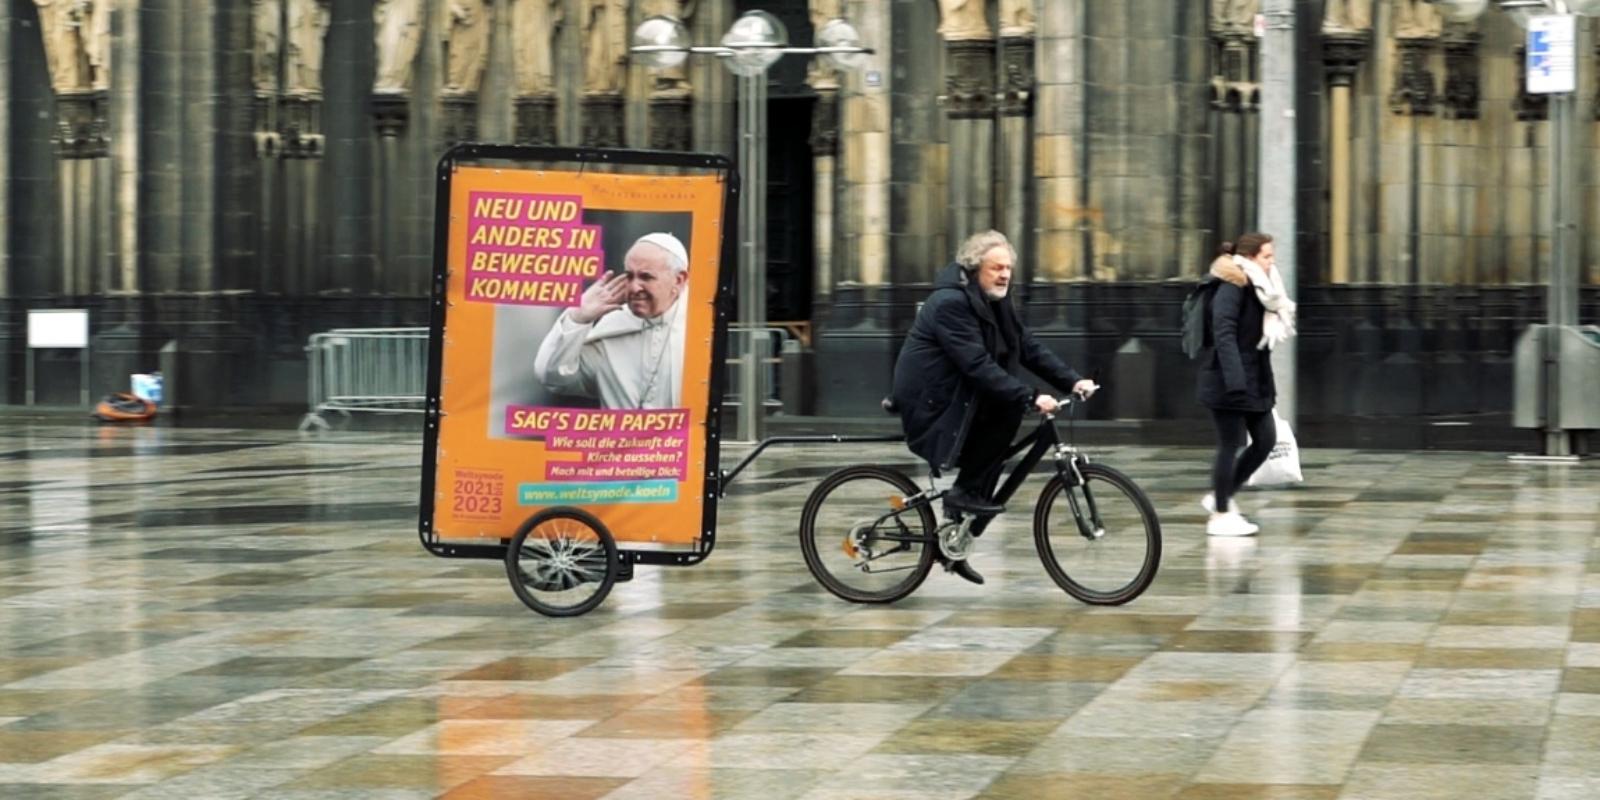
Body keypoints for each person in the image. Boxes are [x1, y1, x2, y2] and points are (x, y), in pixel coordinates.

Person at [890, 230, 1098, 585]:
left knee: (1006, 417)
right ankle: (962, 496)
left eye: (1008, 268)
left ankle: (955, 541)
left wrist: (1072, 381)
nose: (1004, 275)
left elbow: (1026, 347)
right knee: (1008, 411)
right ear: (975, 270)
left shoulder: (995, 299)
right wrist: (1030, 395)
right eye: (995, 268)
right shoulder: (950, 303)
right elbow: (976, 364)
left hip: (960, 394)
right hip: (934, 402)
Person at [1197, 233, 1296, 537]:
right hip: (1228, 379)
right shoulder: (1233, 285)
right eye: (1267, 256)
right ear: (1251, 257)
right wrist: (1236, 381)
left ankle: (1220, 496)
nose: (1272, 261)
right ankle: (1221, 515)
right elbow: (1223, 333)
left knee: (1265, 439)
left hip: (1254, 377)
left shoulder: (1262, 287)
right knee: (1229, 444)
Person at [533, 232, 688, 410]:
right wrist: (578, 317)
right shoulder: (614, 326)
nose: (634, 287)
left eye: (646, 277)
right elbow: (551, 376)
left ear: (679, 279)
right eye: (629, 276)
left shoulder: (701, 329)